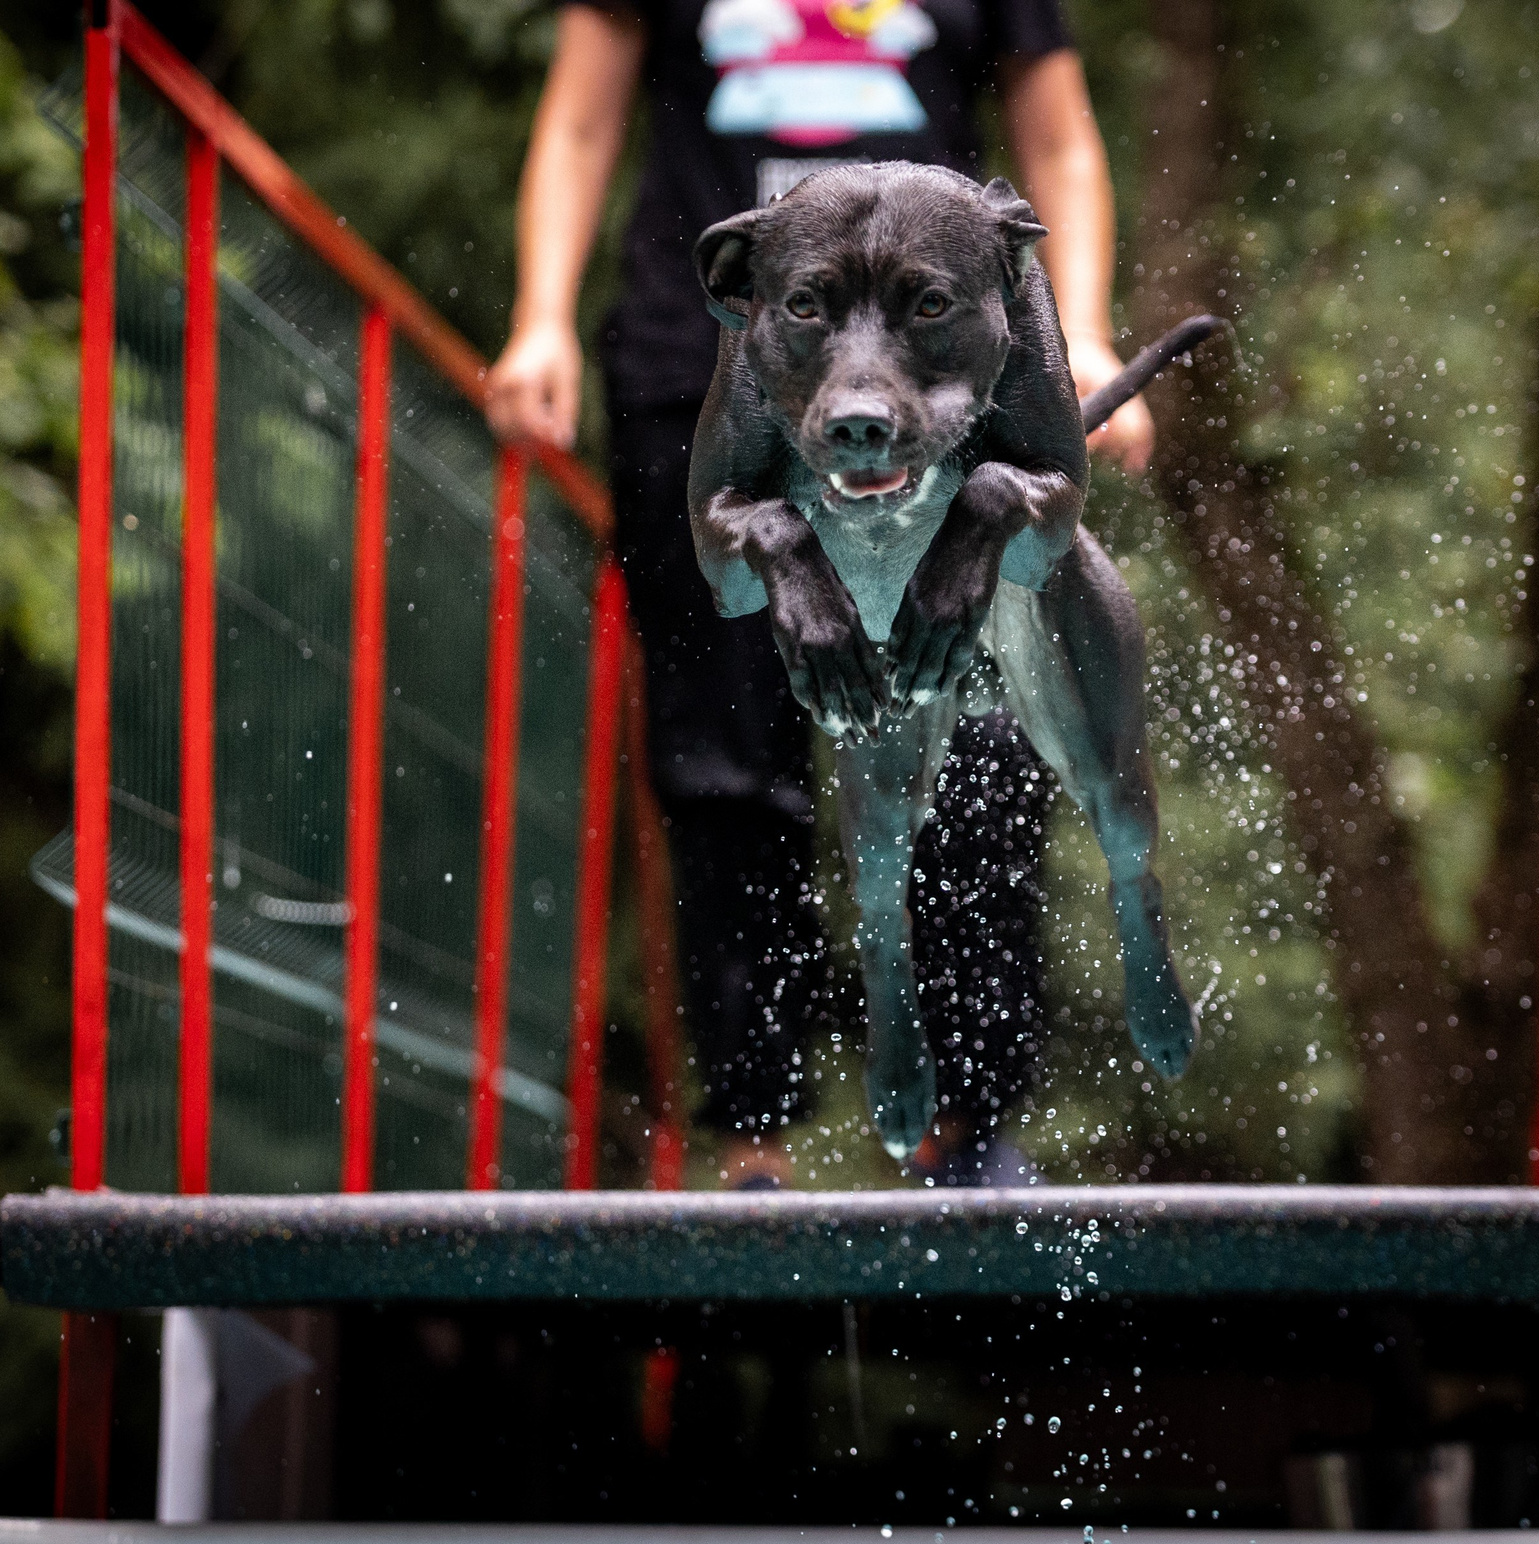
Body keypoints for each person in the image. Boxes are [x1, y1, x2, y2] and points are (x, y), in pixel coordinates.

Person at [487, 0, 1149, 1188]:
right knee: (724, 762)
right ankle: (755, 1140)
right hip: (703, 383)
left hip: (946, 396)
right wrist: (540, 319)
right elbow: (581, 123)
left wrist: (1086, 334)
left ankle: (970, 1128)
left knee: (984, 751)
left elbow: (1059, 144)